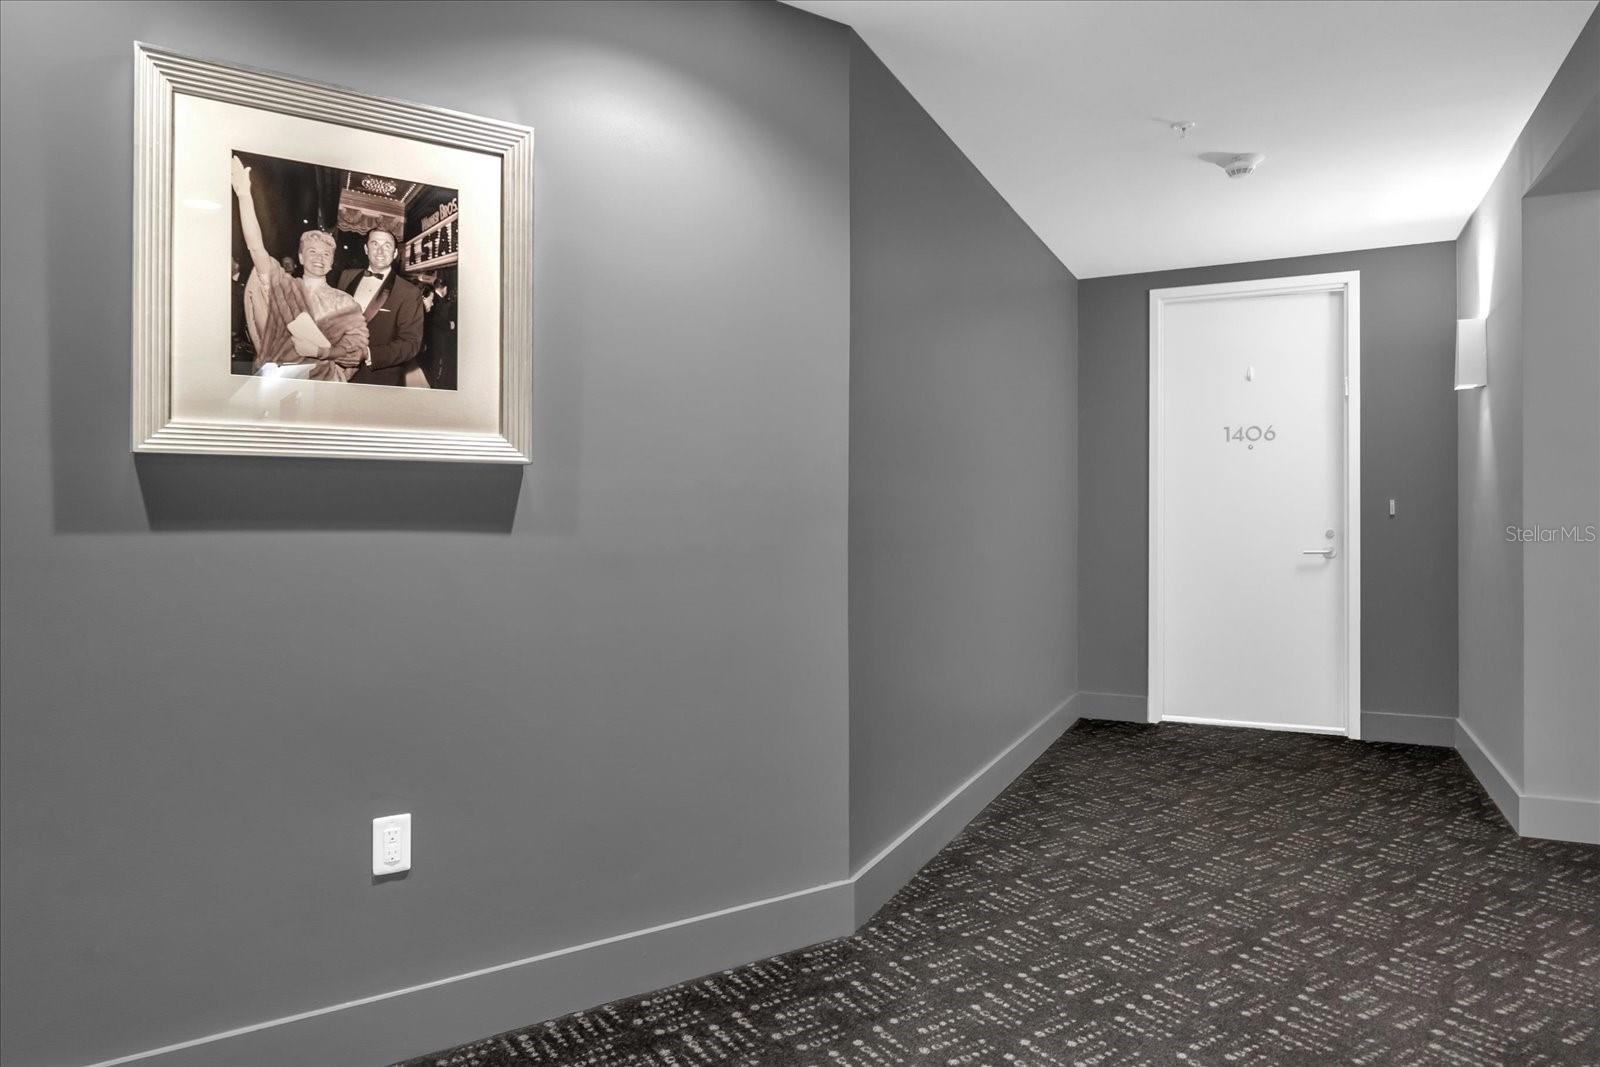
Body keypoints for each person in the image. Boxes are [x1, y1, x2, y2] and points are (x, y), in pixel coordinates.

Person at [230, 155, 368, 381]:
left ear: (332, 262)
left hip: (322, 387)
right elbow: (256, 248)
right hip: (277, 381)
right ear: (301, 258)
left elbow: (358, 351)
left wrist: (322, 352)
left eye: (326, 254)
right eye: (312, 252)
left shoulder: (345, 302)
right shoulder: (283, 286)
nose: (319, 258)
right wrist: (244, 195)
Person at [338, 227, 425, 387]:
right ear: (366, 249)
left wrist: (368, 354)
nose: (380, 251)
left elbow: (411, 344)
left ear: (395, 253)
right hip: (336, 372)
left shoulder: (409, 292)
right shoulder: (346, 276)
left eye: (387, 245)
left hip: (378, 379)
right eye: (375, 244)